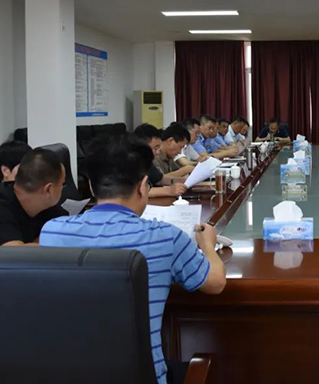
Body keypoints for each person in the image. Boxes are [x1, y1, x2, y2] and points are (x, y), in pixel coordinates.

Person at [40, 135, 226, 384]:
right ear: (143, 186)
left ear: (92, 187)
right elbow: (216, 283)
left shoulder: (52, 232)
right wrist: (208, 245)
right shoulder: (165, 237)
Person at [134, 123, 187, 197]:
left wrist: (185, 181)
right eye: (155, 148)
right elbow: (138, 191)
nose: (158, 152)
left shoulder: (147, 162)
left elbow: (160, 180)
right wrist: (170, 191)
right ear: (142, 146)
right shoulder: (131, 162)